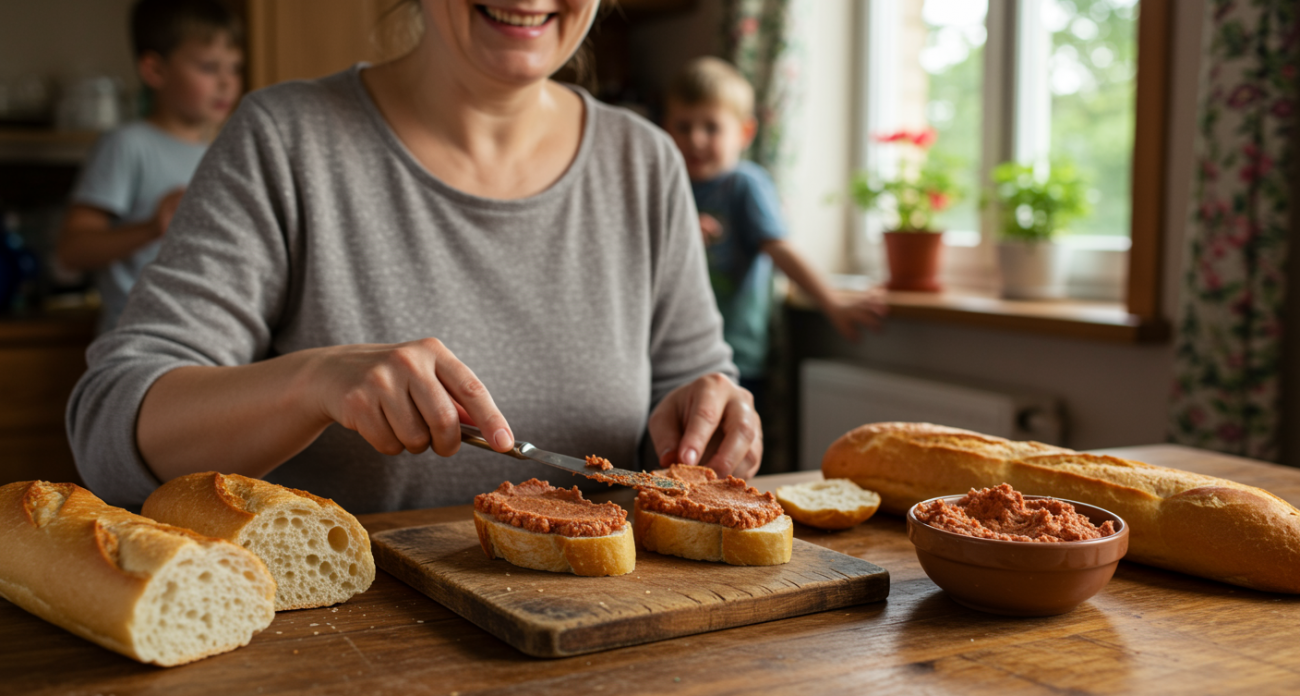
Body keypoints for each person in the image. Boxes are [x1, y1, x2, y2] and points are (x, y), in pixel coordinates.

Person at [67, 0, 760, 514]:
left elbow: (692, 389)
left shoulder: (645, 160)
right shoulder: (283, 139)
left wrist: (716, 413)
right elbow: (109, 429)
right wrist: (314, 380)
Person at [662, 57, 886, 397]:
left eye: (711, 127)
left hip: (732, 354)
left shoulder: (743, 184)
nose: (695, 140)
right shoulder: (666, 186)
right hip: (670, 356)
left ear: (745, 132)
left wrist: (833, 303)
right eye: (683, 126)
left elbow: (781, 250)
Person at [56, 0, 243, 334]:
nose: (227, 82)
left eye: (235, 68)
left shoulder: (228, 151)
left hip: (211, 338)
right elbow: (73, 249)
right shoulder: (127, 145)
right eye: (209, 67)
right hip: (137, 339)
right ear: (155, 71)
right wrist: (151, 228)